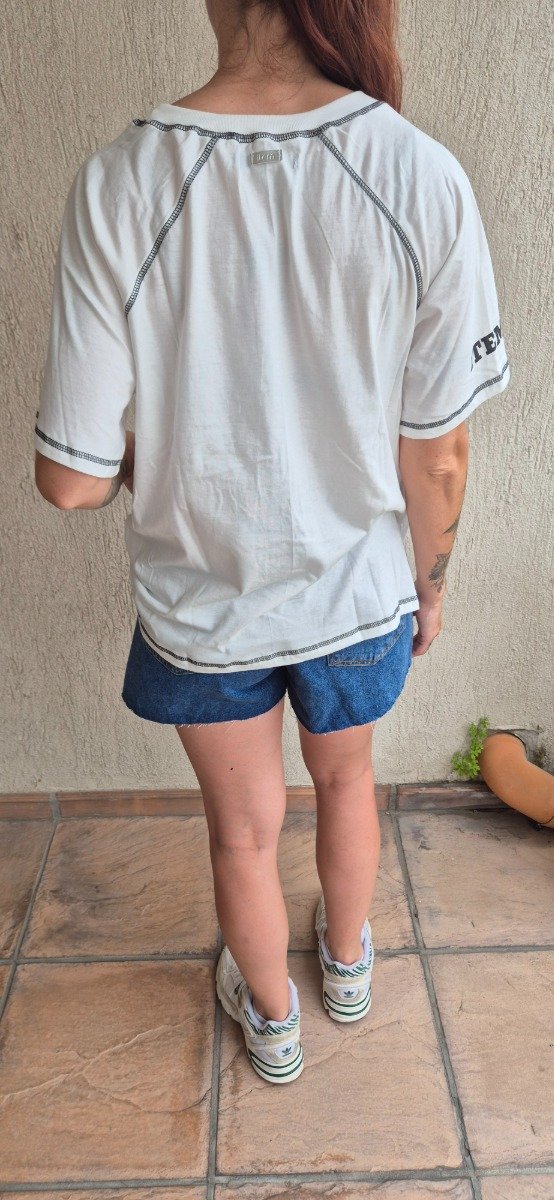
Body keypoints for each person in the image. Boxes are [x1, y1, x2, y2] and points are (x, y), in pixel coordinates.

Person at [34, 0, 511, 1083]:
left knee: (243, 832)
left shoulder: (120, 182)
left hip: (202, 609)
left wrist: (168, 450)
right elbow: (438, 454)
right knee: (348, 785)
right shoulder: (418, 174)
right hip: (359, 593)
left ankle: (274, 1021)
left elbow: (70, 479)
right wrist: (429, 583)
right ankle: (346, 968)